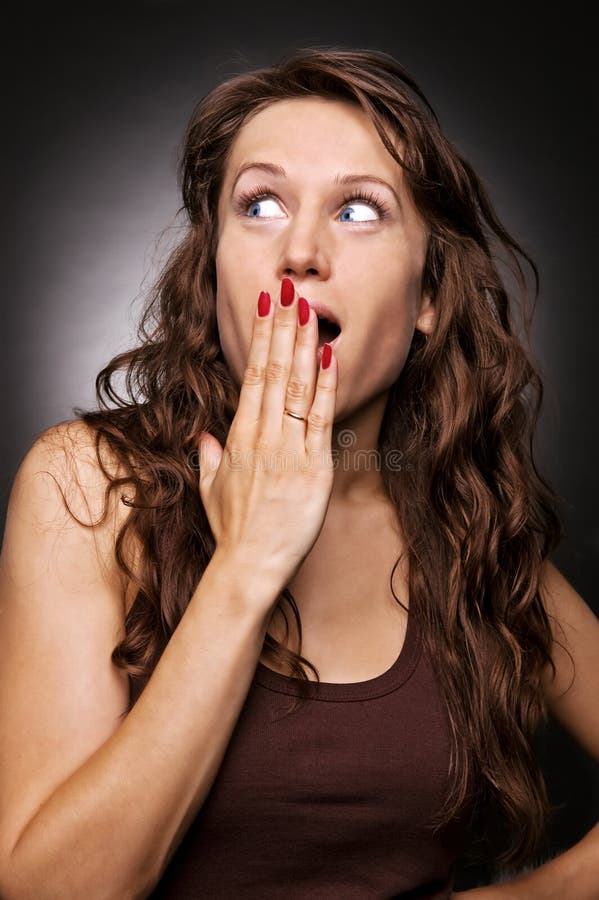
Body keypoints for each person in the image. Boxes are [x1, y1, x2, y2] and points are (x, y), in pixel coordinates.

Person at [0, 46, 597, 899]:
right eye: (262, 204)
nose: (302, 251)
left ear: (427, 297)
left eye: (359, 210)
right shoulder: (87, 487)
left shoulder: (467, 531)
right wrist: (246, 565)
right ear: (214, 271)